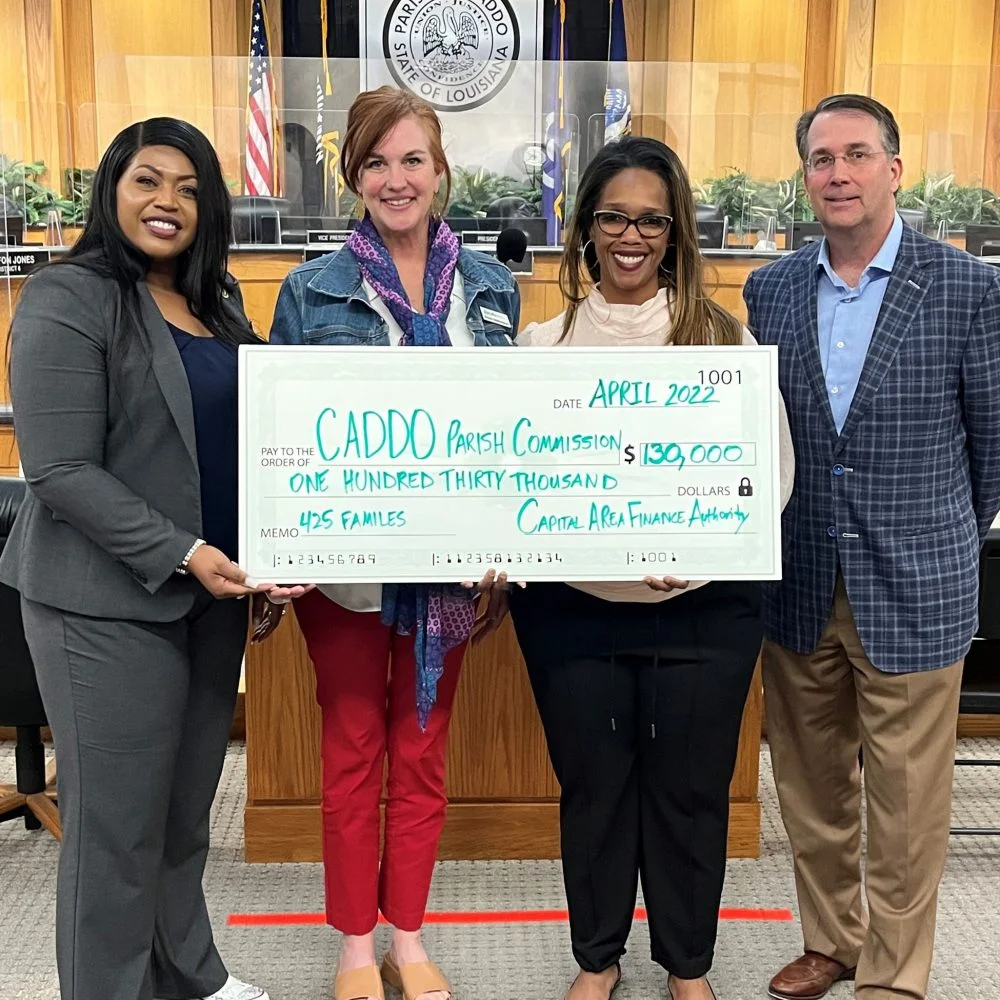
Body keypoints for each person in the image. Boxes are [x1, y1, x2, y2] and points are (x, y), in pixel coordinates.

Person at [0, 116, 308, 1000]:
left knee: (182, 815)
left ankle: (188, 976)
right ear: (113, 188)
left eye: (189, 188)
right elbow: (59, 468)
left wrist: (268, 554)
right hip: (102, 604)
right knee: (116, 830)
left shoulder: (218, 304)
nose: (167, 201)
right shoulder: (68, 296)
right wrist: (184, 552)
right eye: (148, 180)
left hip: (210, 601)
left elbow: (251, 444)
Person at [508, 136, 795, 1000]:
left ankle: (687, 965)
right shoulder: (540, 346)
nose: (631, 237)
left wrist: (701, 552)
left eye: (651, 221)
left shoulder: (725, 342)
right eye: (613, 218)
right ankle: (596, 958)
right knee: (594, 789)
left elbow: (772, 473)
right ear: (585, 228)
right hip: (573, 610)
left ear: (675, 234)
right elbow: (513, 477)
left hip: (704, 609)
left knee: (691, 791)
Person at [743, 94, 1000, 1000]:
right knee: (811, 789)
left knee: (907, 799)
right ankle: (833, 940)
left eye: (856, 155)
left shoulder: (967, 287)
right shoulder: (770, 289)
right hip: (801, 579)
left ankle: (893, 973)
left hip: (918, 583)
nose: (838, 173)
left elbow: (991, 447)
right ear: (805, 177)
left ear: (895, 168)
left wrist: (940, 536)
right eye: (821, 159)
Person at [268, 86, 520, 1000]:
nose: (395, 178)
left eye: (412, 159)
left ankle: (407, 938)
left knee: (421, 754)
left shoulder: (490, 289)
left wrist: (509, 541)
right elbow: (280, 433)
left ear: (441, 170)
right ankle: (352, 946)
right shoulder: (310, 291)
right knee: (350, 752)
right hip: (344, 578)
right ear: (354, 178)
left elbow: (511, 431)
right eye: (375, 162)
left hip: (447, 576)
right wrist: (282, 542)